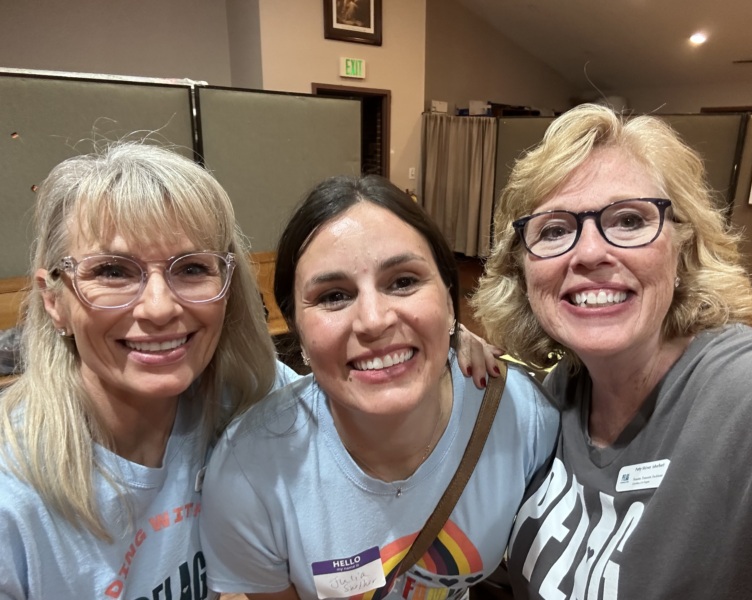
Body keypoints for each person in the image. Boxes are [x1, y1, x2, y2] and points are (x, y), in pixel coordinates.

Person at [0, 143, 498, 600]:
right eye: (112, 271)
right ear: (54, 300)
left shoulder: (245, 395)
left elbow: (344, 399)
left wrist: (438, 340)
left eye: (191, 268)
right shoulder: (13, 499)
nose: (158, 308)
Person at [471, 103, 752, 599]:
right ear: (521, 271)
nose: (589, 253)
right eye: (554, 230)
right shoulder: (554, 397)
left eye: (628, 220)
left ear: (683, 248)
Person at [198, 175, 560, 599]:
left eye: (403, 282)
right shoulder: (251, 471)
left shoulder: (520, 416)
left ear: (449, 302)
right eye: (333, 295)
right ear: (298, 333)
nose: (374, 320)